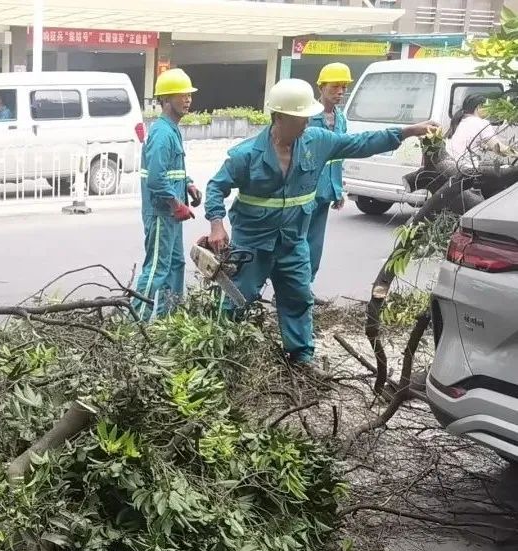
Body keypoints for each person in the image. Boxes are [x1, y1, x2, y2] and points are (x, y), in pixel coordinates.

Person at [204, 78, 438, 365]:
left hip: (292, 243)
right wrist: (217, 224)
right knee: (237, 298)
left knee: (299, 298)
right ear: (280, 117)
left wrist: (407, 132)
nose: (307, 122)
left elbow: (360, 143)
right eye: (301, 117)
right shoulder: (246, 154)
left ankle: (302, 356)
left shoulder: (316, 142)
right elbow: (216, 187)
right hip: (253, 245)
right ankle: (219, 354)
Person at [132, 68, 202, 321]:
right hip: (163, 212)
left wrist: (189, 184)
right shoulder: (162, 133)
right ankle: (134, 324)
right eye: (181, 94)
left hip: (171, 212)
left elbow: (171, 170)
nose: (187, 99)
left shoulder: (171, 129)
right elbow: (155, 179)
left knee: (175, 266)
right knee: (157, 270)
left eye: (189, 94)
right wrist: (175, 204)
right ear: (165, 99)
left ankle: (168, 321)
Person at [306, 63, 352, 293]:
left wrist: (337, 189)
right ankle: (292, 289)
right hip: (305, 193)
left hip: (325, 193)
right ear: (321, 87)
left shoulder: (341, 119)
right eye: (335, 87)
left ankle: (306, 288)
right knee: (298, 246)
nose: (340, 92)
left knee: (315, 246)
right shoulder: (308, 116)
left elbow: (338, 156)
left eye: (343, 87)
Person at [446, 94, 513, 167]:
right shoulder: (481, 123)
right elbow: (500, 149)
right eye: (488, 107)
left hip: (450, 166)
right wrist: (515, 153)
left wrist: (486, 147)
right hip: (466, 169)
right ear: (479, 107)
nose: (489, 112)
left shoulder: (459, 120)